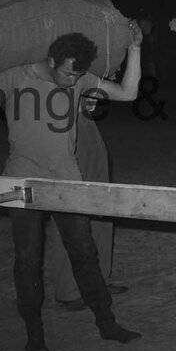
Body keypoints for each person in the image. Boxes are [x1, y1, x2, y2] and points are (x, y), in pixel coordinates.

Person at [0, 29, 144, 351]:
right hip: (22, 181)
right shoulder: (14, 77)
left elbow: (128, 92)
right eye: (67, 72)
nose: (72, 80)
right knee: (27, 259)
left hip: (67, 180)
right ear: (51, 61)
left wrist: (134, 49)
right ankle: (34, 333)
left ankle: (107, 323)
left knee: (84, 253)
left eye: (77, 74)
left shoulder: (79, 80)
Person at [49, 105, 128, 311]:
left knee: (100, 200)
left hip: (82, 115)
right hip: (59, 116)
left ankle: (98, 279)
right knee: (69, 205)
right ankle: (69, 289)